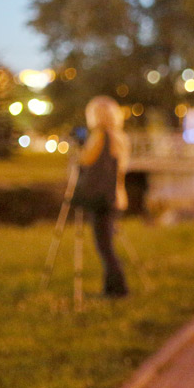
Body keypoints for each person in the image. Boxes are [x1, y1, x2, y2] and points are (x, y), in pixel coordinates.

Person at [73, 95, 130, 298]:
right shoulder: (120, 137)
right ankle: (111, 288)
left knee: (104, 247)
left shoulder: (100, 136)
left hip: (103, 198)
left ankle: (117, 289)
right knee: (108, 244)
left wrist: (79, 147)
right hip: (118, 196)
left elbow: (86, 162)